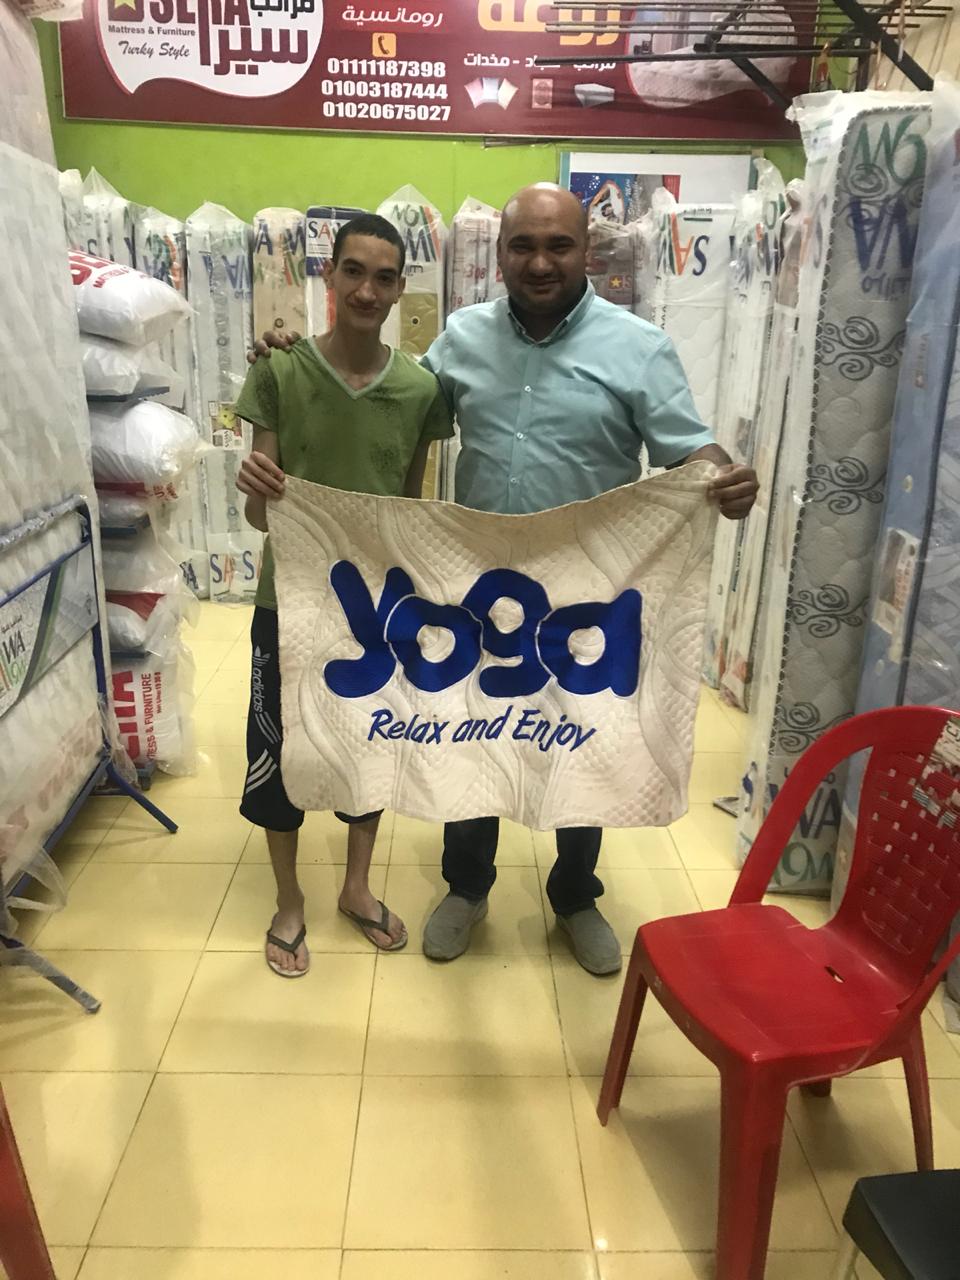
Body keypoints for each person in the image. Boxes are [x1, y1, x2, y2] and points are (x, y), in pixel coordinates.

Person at [249, 183, 759, 979]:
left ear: (586, 251)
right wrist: (297, 356)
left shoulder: (638, 348)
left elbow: (688, 447)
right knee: (472, 733)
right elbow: (389, 391)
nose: (540, 262)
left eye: (558, 245)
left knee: (583, 737)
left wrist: (722, 476)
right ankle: (467, 887)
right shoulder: (462, 339)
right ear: (501, 255)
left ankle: (575, 895)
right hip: (477, 590)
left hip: (585, 596)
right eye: (524, 246)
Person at [236, 212, 453, 977]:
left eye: (383, 277)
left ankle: (357, 887)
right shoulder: (279, 373)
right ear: (328, 276)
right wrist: (255, 486)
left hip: (373, 612)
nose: (366, 290)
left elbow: (409, 508)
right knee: (278, 753)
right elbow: (259, 515)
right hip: (288, 604)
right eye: (353, 271)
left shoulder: (420, 391)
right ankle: (288, 899)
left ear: (399, 289)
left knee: (370, 748)